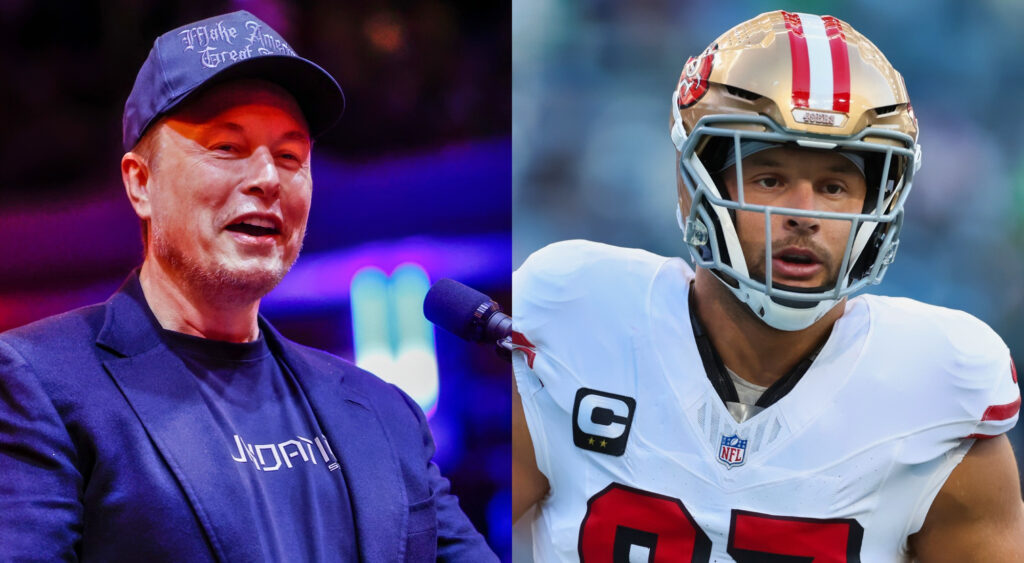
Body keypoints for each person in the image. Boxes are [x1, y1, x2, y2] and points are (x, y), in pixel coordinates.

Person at [512, 10, 1023, 561]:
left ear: (880, 200)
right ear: (696, 186)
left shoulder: (939, 385)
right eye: (770, 179)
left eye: (833, 186)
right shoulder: (576, 313)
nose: (805, 215)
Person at [0, 10, 496, 562]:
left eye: (290, 156)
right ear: (142, 184)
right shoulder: (40, 384)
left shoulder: (383, 411)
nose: (267, 178)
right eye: (226, 148)